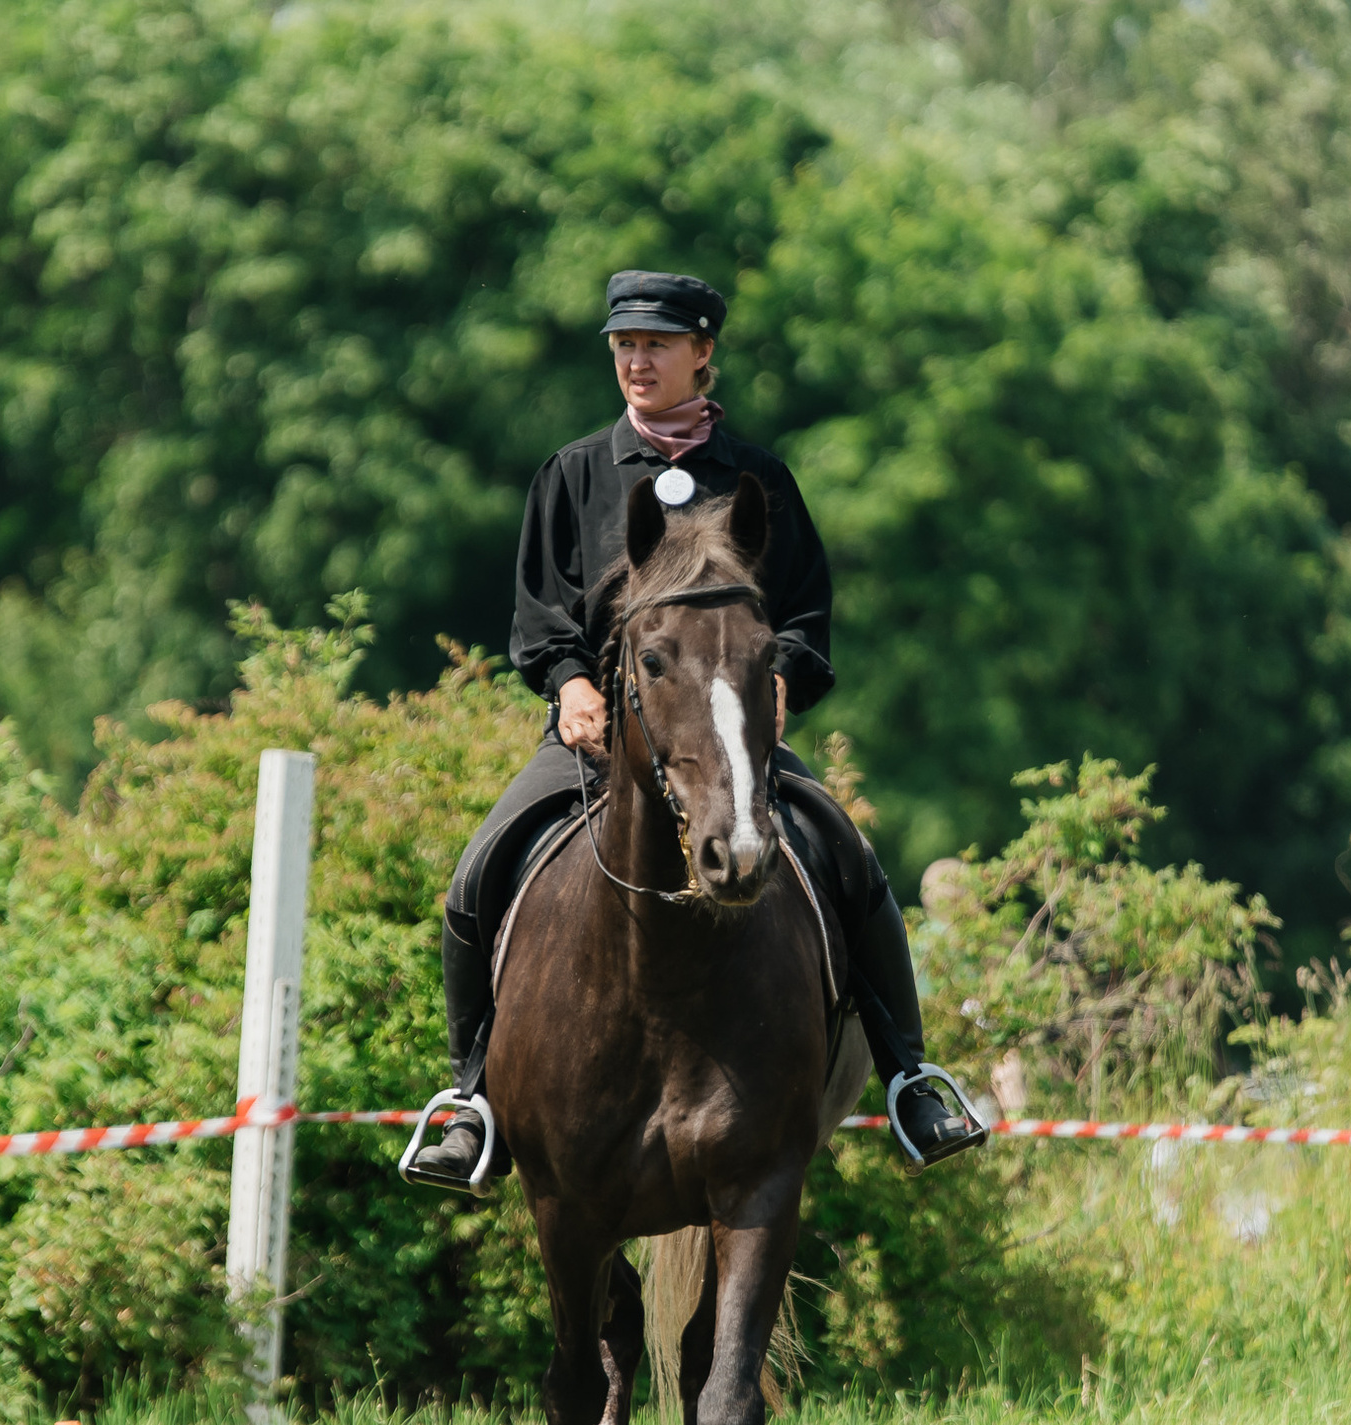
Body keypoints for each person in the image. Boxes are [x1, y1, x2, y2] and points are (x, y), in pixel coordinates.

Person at [405, 269, 987, 1188]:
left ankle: (912, 1078)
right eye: (624, 346)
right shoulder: (574, 474)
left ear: (702, 354)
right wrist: (567, 685)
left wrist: (786, 675)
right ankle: (472, 1097)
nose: (637, 361)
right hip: (600, 745)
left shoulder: (759, 480)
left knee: (852, 863)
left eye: (657, 346)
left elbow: (804, 613)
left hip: (728, 745)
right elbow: (538, 616)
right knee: (477, 874)